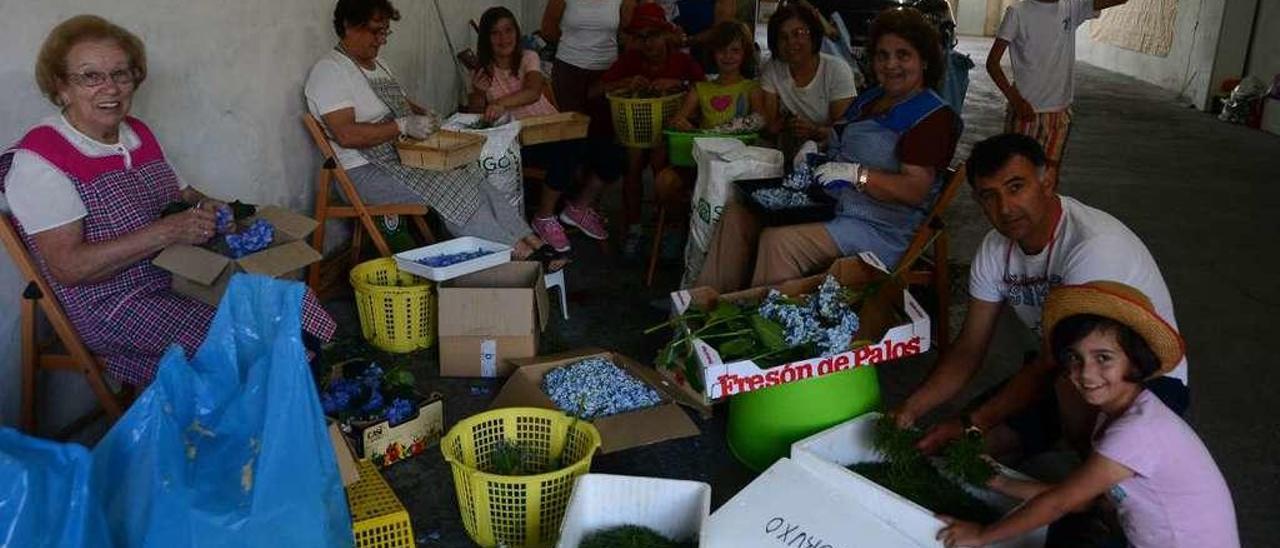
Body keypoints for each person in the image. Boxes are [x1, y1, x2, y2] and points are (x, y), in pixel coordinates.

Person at [0, 15, 336, 387]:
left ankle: (302, 417)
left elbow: (185, 195)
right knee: (253, 341)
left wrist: (213, 207)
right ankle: (266, 430)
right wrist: (165, 232)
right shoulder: (40, 160)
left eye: (121, 74)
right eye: (90, 77)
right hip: (117, 305)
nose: (110, 88)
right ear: (61, 87)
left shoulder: (135, 133)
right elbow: (70, 267)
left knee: (291, 303)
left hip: (181, 276)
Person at [892, 133, 1190, 461]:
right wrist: (910, 409)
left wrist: (972, 422)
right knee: (963, 453)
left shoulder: (1093, 245)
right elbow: (970, 347)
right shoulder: (994, 249)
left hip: (1146, 382)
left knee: (1082, 437)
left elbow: (1050, 363)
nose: (1005, 208)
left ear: (1047, 179)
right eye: (989, 196)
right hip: (1071, 370)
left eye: (1016, 187)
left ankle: (1095, 487)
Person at [937, 281, 1238, 548]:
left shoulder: (1136, 432)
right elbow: (1087, 500)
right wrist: (996, 481)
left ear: (1135, 360)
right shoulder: (1117, 415)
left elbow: (1061, 503)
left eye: (1103, 358)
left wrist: (981, 536)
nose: (1086, 374)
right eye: (1075, 359)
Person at [696, 7, 958, 292]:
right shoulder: (872, 98)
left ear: (925, 61)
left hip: (877, 227)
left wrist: (859, 175)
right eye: (883, 55)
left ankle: (762, 330)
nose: (890, 64)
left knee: (779, 243)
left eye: (903, 54)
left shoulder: (931, 116)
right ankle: (707, 314)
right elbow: (839, 137)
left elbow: (914, 190)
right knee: (738, 214)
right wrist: (815, 149)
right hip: (830, 204)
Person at [305, 0, 564, 267]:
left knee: (470, 171)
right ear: (348, 25)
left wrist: (425, 113)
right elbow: (346, 134)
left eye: (385, 31)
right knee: (452, 187)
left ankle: (531, 240)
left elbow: (404, 104)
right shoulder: (330, 71)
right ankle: (516, 252)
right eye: (375, 31)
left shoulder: (378, 64)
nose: (381, 40)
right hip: (363, 172)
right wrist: (402, 126)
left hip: (399, 157)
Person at [468, 6, 607, 254]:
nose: (503, 39)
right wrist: (479, 94)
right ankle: (543, 217)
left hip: (552, 129)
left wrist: (500, 103)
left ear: (517, 32)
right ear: (486, 39)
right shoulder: (483, 71)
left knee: (611, 151)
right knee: (569, 148)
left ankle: (578, 207)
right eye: (495, 33)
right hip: (522, 142)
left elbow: (533, 92)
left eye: (508, 30)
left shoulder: (528, 57)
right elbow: (476, 119)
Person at [598, 2, 706, 258]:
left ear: (666, 34)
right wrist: (625, 82)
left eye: (654, 35)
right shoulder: (630, 60)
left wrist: (679, 83)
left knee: (660, 158)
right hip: (637, 132)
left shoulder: (681, 60)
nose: (649, 43)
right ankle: (635, 228)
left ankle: (669, 225)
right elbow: (595, 90)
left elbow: (705, 92)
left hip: (673, 135)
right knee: (633, 158)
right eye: (641, 37)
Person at [986, 0, 1129, 188]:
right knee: (1016, 178)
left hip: (1060, 115)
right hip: (1027, 113)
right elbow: (992, 63)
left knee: (1048, 180)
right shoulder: (1017, 13)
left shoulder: (1071, 6)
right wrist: (1016, 100)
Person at [653, 20, 763, 261]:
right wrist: (683, 124)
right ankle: (677, 224)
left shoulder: (751, 88)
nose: (728, 56)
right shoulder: (700, 88)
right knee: (664, 181)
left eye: (735, 50)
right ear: (712, 53)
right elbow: (678, 121)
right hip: (697, 161)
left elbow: (760, 120)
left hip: (735, 168)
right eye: (722, 50)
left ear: (744, 53)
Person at [541, 0, 636, 243]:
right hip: (569, 72)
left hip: (608, 72)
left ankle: (583, 205)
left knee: (605, 141)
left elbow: (628, 31)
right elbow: (548, 29)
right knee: (572, 140)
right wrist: (577, 45)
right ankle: (552, 211)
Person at [759, 2, 857, 160]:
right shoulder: (773, 68)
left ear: (813, 34)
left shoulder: (837, 70)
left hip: (833, 156)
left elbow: (844, 133)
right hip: (790, 155)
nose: (791, 42)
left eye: (798, 33)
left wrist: (815, 131)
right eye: (783, 37)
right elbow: (770, 126)